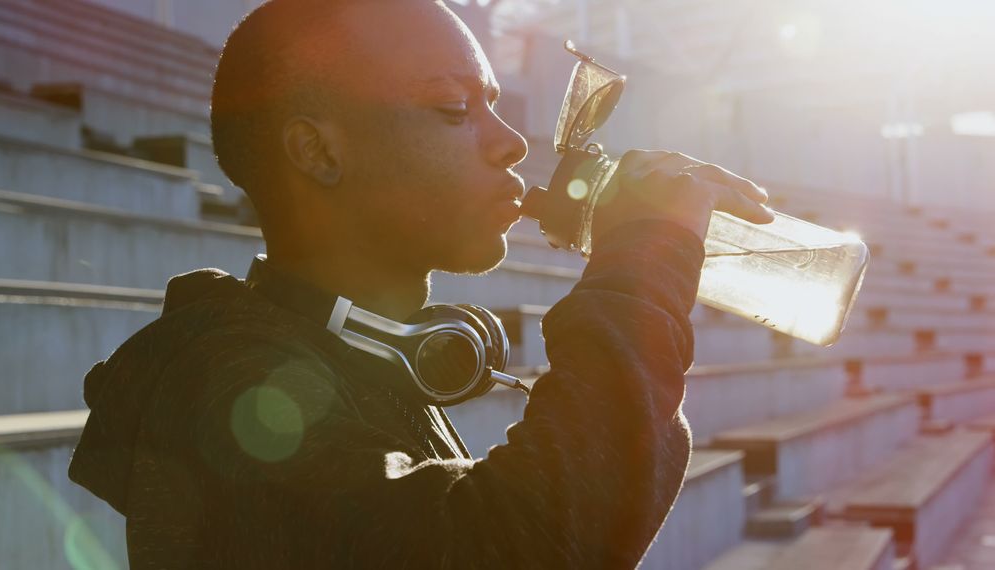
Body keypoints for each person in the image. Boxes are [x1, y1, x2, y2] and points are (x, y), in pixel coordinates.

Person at [68, 0, 774, 567]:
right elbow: (517, 549)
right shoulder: (222, 384)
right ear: (318, 151)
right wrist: (644, 264)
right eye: (451, 109)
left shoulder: (359, 351)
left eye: (494, 103)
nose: (512, 142)